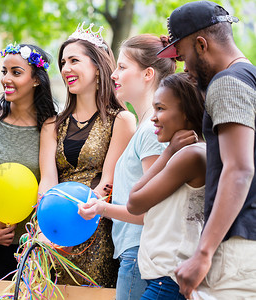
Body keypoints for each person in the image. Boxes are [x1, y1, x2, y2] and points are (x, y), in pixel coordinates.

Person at [156, 1, 256, 298]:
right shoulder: (250, 79)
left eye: (184, 55)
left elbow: (239, 169)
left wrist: (203, 252)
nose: (185, 67)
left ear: (201, 45)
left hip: (236, 252)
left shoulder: (227, 83)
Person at [77, 34, 176, 299]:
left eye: (123, 67)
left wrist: (102, 209)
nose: (113, 74)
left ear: (147, 74)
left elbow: (153, 211)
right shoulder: (146, 126)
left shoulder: (152, 131)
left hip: (140, 252)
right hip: (134, 252)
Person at [38, 23, 136, 287]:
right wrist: (47, 229)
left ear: (97, 66)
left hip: (96, 228)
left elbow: (109, 182)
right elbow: (47, 181)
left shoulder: (122, 121)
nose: (65, 68)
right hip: (54, 229)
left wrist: (77, 222)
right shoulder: (52, 126)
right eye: (62, 62)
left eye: (74, 60)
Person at [0, 43, 57, 285]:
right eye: (4, 71)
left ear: (36, 80)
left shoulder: (52, 128)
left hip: (35, 250)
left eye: (16, 72)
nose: (6, 79)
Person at [125, 73, 206, 300]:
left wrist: (168, 152)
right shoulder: (195, 152)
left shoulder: (189, 155)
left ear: (187, 112)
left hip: (168, 282)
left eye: (161, 108)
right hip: (166, 280)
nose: (154, 117)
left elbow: (134, 202)